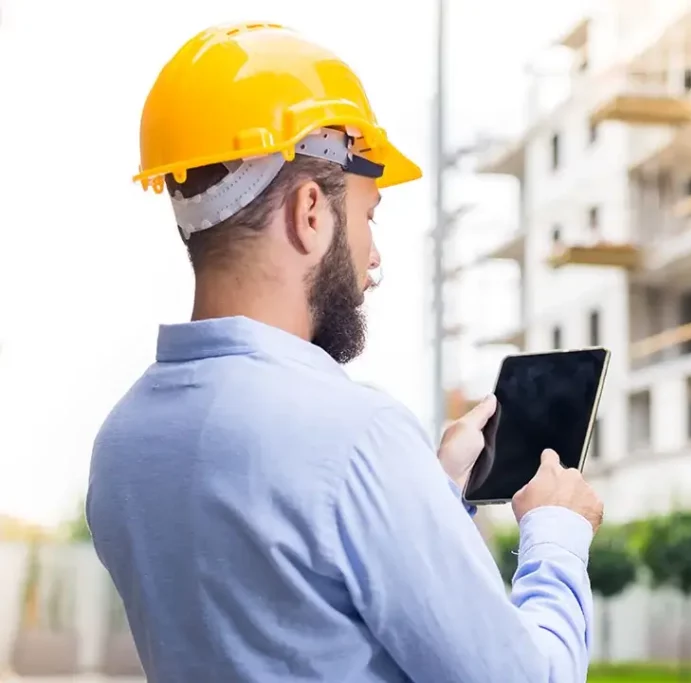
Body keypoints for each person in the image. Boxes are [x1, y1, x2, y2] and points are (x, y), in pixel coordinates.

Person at [86, 22, 605, 683]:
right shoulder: (358, 438)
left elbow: (302, 610)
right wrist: (556, 533)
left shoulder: (123, 440)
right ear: (310, 211)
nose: (375, 259)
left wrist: (435, 487)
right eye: (369, 217)